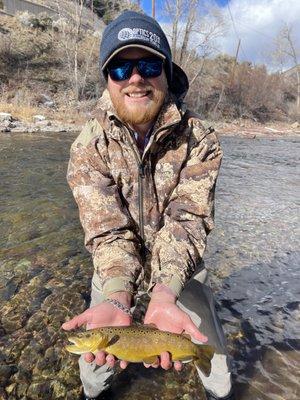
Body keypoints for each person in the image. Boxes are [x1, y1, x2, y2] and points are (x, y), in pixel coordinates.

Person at [62, 10, 235, 400]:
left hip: (180, 267)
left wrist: (163, 294)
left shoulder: (200, 141)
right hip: (113, 268)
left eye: (148, 64)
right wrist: (119, 295)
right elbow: (106, 231)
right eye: (121, 69)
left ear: (166, 73)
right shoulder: (88, 147)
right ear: (108, 80)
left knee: (216, 365)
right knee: (93, 370)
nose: (135, 77)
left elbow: (188, 221)